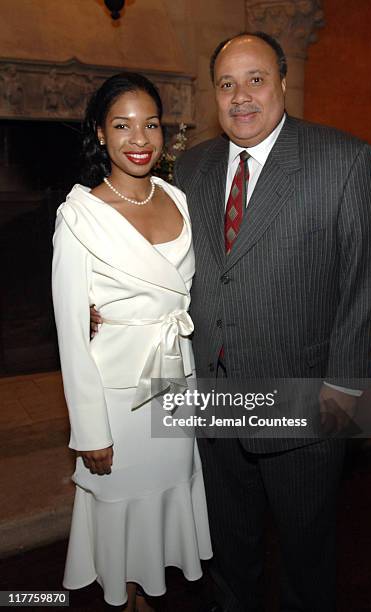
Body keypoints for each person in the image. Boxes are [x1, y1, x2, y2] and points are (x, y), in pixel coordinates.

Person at [90, 34, 371, 612]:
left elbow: (367, 285)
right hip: (209, 399)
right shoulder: (190, 167)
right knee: (228, 553)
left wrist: (347, 390)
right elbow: (159, 260)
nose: (241, 97)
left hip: (305, 399)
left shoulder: (345, 160)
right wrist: (105, 301)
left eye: (255, 80)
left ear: (282, 82)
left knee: (307, 557)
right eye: (227, 84)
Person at [52, 73, 212, 612]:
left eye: (150, 124)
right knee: (121, 504)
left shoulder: (179, 198)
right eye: (122, 125)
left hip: (174, 382)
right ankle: (123, 600)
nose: (139, 138)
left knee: (166, 497)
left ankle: (145, 594)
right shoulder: (80, 216)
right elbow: (71, 336)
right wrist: (88, 428)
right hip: (116, 396)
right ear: (100, 133)